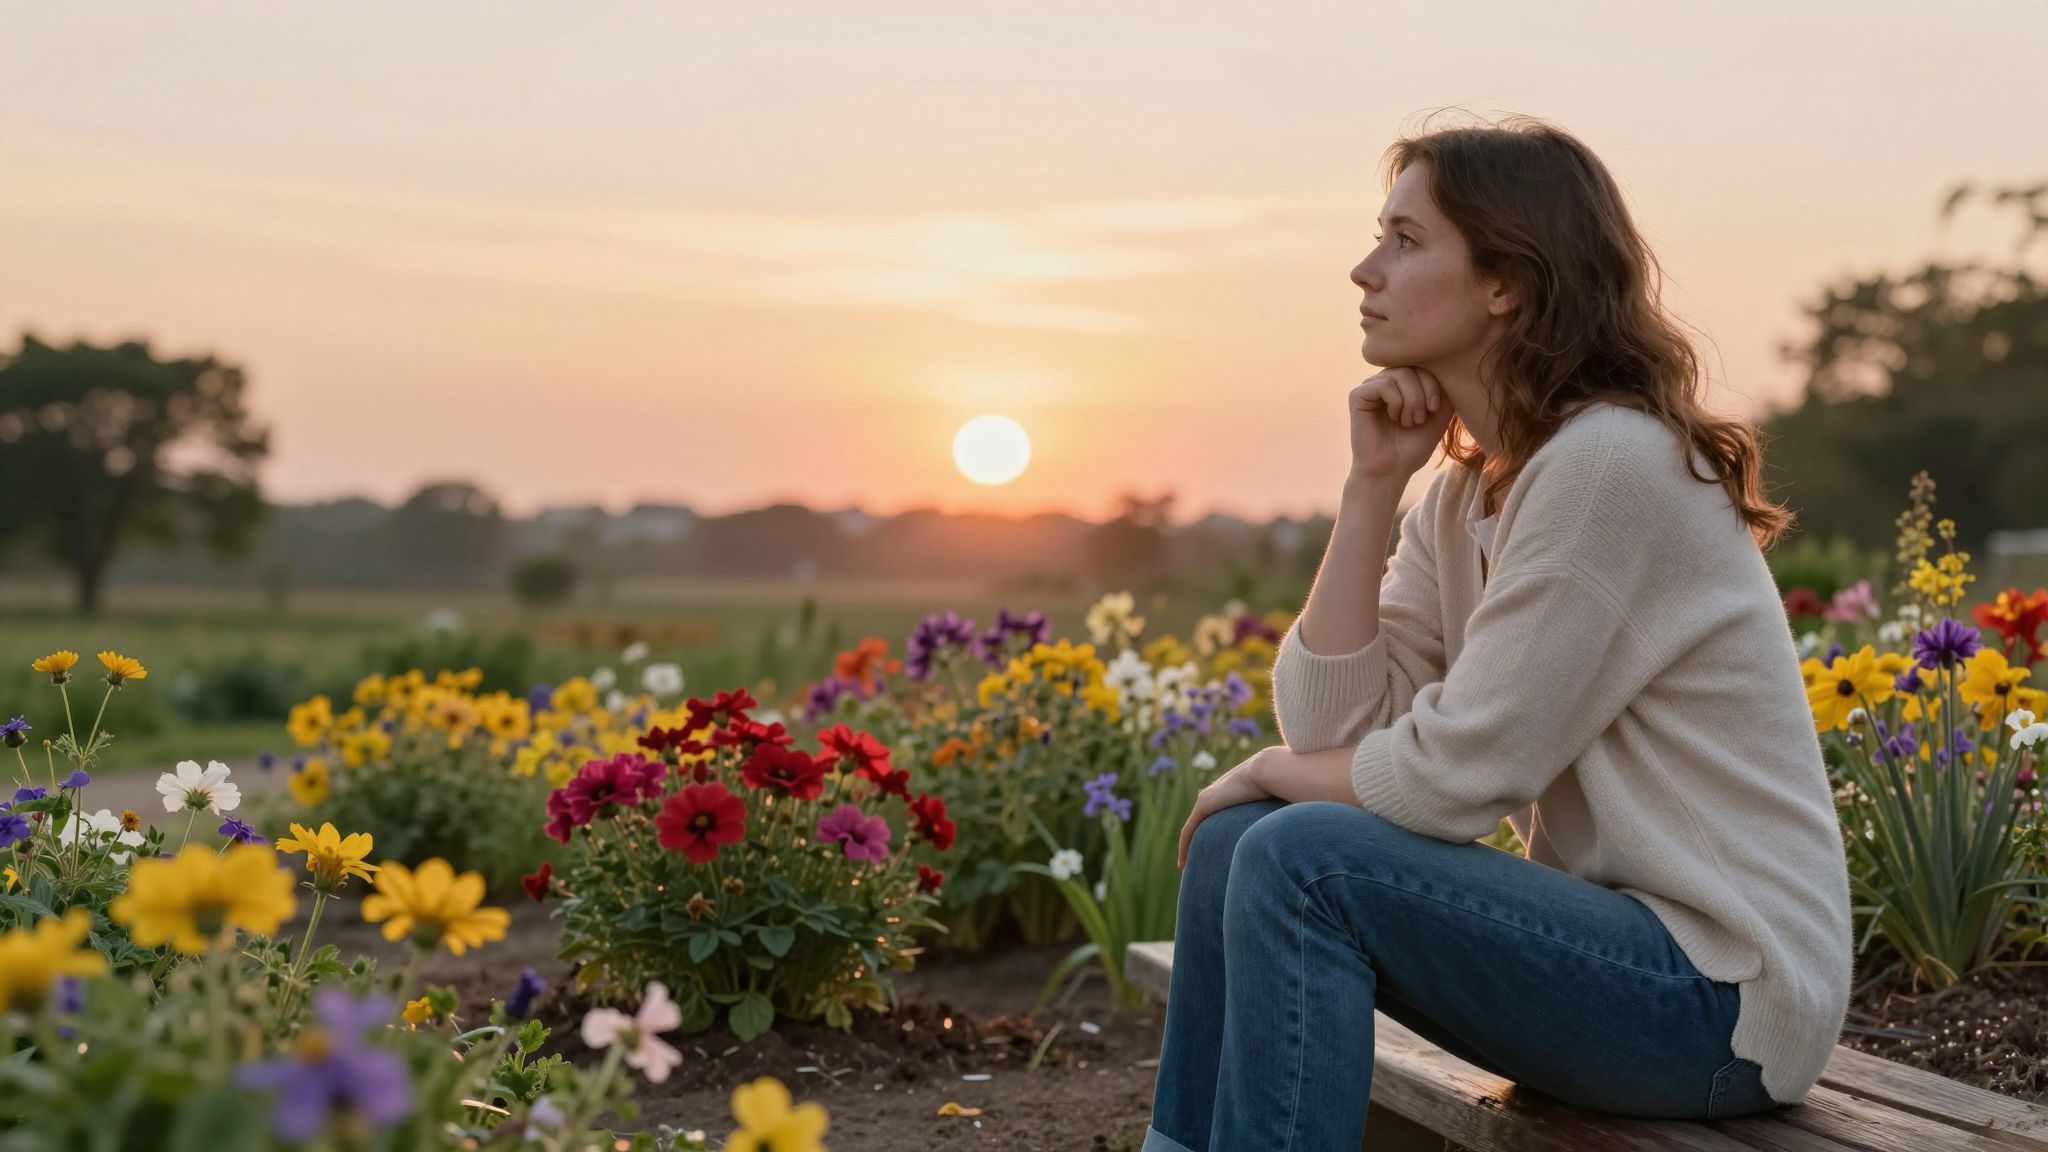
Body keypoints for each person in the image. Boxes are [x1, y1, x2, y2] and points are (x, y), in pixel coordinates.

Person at [1142, 117, 1853, 1152]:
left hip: (1721, 1000)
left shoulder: (1608, 464)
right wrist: (1369, 489)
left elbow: (1461, 774)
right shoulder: (1463, 489)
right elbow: (1333, 721)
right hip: (1612, 969)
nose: (1361, 269)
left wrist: (1268, 769)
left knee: (1300, 855)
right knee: (1239, 843)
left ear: (1503, 284)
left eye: (1402, 240)